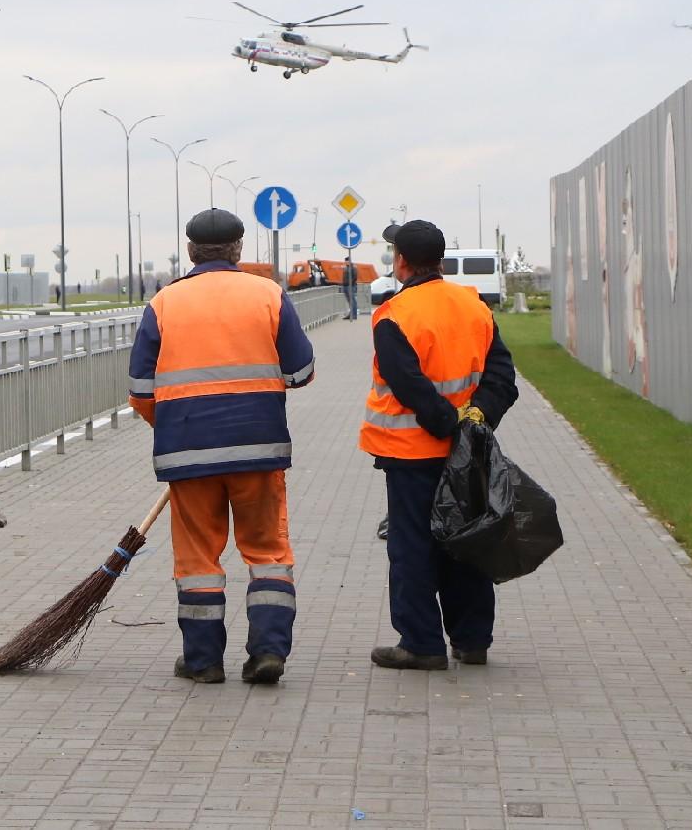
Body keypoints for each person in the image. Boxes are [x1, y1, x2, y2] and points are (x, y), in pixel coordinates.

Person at [129, 208, 315, 685]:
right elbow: (301, 373)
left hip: (187, 454)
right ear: (237, 250)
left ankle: (203, 662)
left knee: (197, 562)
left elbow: (140, 390)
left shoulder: (165, 304)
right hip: (258, 449)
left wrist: (173, 428)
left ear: (191, 251)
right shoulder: (268, 294)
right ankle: (268, 653)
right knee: (268, 551)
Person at [359, 219, 518, 670]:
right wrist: (474, 421)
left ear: (401, 262)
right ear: (441, 260)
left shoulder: (394, 315)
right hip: (467, 455)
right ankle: (471, 642)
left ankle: (421, 644)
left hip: (410, 455)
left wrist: (447, 425)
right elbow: (502, 377)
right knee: (466, 541)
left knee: (411, 546)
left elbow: (409, 385)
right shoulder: (473, 307)